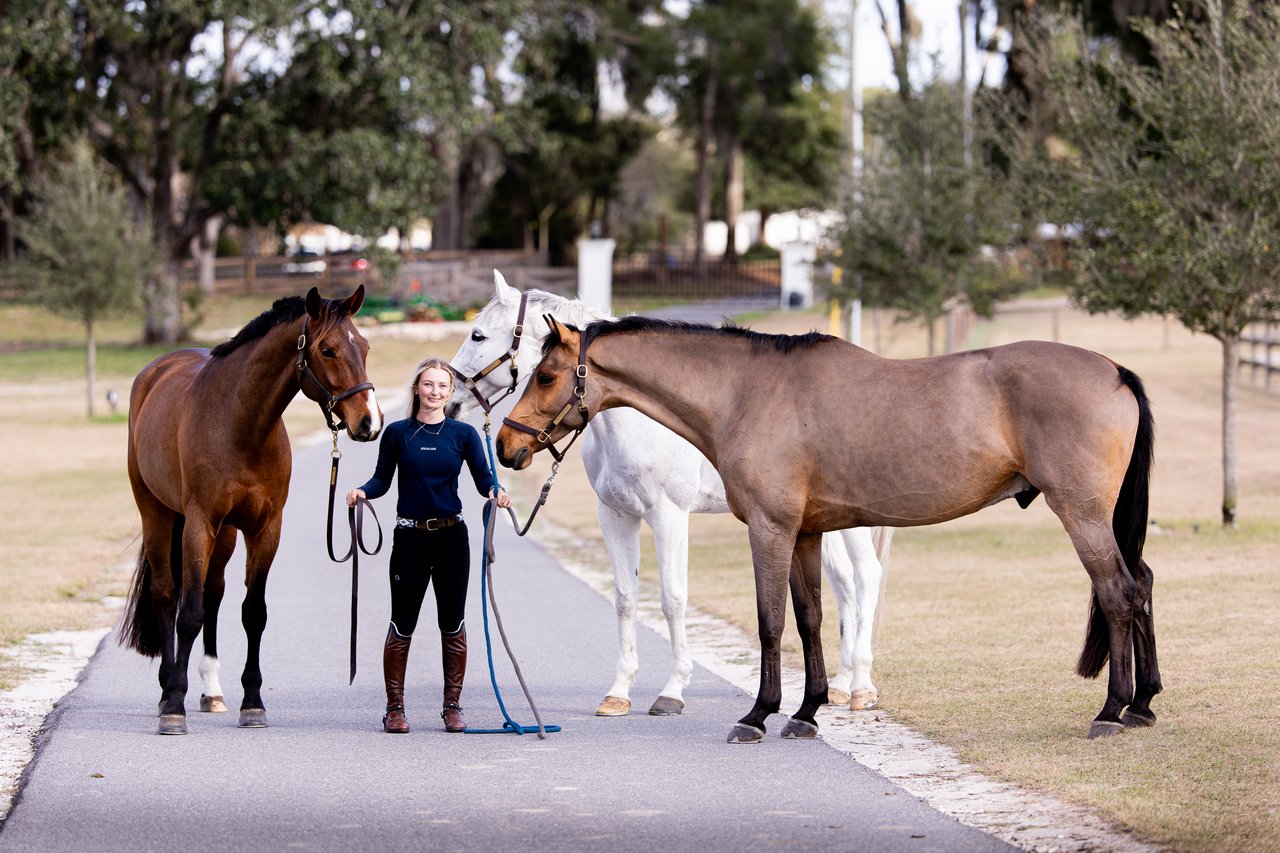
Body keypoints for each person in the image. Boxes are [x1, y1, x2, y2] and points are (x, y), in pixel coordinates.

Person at [346, 357, 511, 734]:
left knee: (452, 623)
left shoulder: (463, 434)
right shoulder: (398, 433)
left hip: (453, 538)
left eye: (442, 386)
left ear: (450, 392)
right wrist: (360, 492)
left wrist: (496, 492)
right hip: (410, 538)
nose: (435, 392)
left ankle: (452, 707)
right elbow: (382, 480)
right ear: (416, 388)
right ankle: (394, 708)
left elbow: (484, 478)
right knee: (402, 623)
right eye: (428, 385)